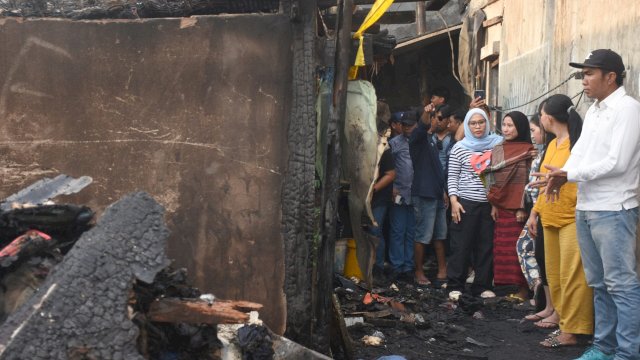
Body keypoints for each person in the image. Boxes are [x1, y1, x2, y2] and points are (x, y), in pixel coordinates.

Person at [545, 49, 640, 360]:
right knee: (599, 284)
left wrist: (569, 174)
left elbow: (618, 162)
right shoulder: (596, 110)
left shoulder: (628, 109)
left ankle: (627, 352)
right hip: (587, 207)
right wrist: (559, 175)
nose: (583, 80)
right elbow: (580, 153)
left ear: (610, 77)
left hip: (614, 209)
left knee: (621, 286)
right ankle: (604, 347)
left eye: (589, 73)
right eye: (582, 73)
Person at [527, 94, 593, 348]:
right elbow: (544, 184)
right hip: (549, 217)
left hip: (572, 217)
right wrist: (535, 213)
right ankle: (564, 323)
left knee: (573, 277)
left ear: (549, 117)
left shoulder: (578, 144)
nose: (540, 118)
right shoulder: (553, 145)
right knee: (554, 275)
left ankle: (574, 330)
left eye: (541, 113)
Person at [446, 108, 502, 297]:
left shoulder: (497, 145)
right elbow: (452, 176)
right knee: (461, 245)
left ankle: (482, 286)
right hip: (465, 204)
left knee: (485, 245)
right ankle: (455, 285)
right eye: (473, 123)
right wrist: (454, 201)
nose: (478, 127)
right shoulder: (459, 148)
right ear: (467, 126)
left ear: (487, 123)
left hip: (488, 204)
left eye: (481, 122)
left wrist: (495, 203)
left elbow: (497, 176)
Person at [482, 111, 533, 303]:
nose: (506, 129)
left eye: (511, 125)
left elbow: (526, 181)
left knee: (520, 249)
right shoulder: (498, 149)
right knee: (503, 249)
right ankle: (510, 287)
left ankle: (524, 289)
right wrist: (494, 204)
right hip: (501, 206)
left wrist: (521, 207)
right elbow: (491, 179)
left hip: (518, 210)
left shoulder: (528, 150)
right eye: (504, 124)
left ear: (520, 127)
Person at [517, 112, 556, 320]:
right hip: (538, 210)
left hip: (546, 211)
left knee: (540, 255)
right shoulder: (540, 153)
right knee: (535, 253)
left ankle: (548, 301)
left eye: (535, 130)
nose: (533, 135)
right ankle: (544, 298)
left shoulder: (551, 152)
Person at [409, 104, 448, 287]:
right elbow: (423, 125)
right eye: (435, 117)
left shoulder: (432, 140)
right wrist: (426, 112)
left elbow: (438, 169)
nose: (437, 121)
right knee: (423, 234)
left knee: (440, 234)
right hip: (424, 193)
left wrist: (443, 191)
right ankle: (418, 271)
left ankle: (442, 270)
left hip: (436, 193)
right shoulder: (418, 138)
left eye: (440, 118)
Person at [388, 111, 417, 280]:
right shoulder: (394, 143)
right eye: (404, 125)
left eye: (410, 125)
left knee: (412, 232)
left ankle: (408, 266)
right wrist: (391, 187)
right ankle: (397, 266)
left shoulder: (422, 141)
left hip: (416, 194)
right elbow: (386, 167)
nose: (407, 128)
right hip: (399, 192)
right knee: (398, 231)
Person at [371, 143, 396, 281]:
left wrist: (372, 190)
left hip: (378, 197)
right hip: (361, 196)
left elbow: (391, 174)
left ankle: (378, 268)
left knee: (375, 231)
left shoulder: (383, 149)